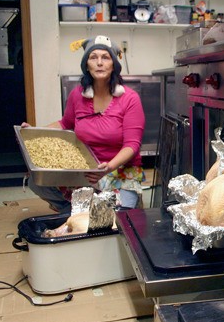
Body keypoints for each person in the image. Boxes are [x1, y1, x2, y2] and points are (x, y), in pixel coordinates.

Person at [22, 35, 145, 213]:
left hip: (121, 170)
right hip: (85, 169)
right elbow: (65, 123)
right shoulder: (77, 95)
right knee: (36, 182)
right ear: (86, 65)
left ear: (113, 65)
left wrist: (109, 167)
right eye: (93, 57)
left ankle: (88, 209)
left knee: (119, 215)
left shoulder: (130, 99)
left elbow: (132, 145)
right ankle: (71, 210)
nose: (100, 63)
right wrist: (34, 132)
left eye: (105, 57)